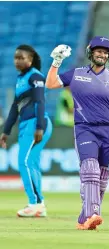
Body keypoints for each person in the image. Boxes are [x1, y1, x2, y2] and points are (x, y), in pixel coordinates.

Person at [46, 36, 109, 230]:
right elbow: (50, 84)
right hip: (85, 128)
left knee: (102, 176)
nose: (102, 54)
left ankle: (84, 219)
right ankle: (93, 214)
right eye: (99, 51)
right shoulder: (76, 74)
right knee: (90, 169)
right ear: (91, 52)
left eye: (106, 52)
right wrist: (56, 62)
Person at [0, 45, 52, 217]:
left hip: (36, 123)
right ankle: (39, 205)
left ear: (30, 59)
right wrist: (6, 131)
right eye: (16, 57)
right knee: (32, 163)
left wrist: (39, 126)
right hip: (26, 125)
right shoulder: (20, 79)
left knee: (24, 162)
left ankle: (35, 203)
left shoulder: (36, 76)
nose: (17, 61)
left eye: (21, 57)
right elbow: (15, 107)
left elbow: (40, 102)